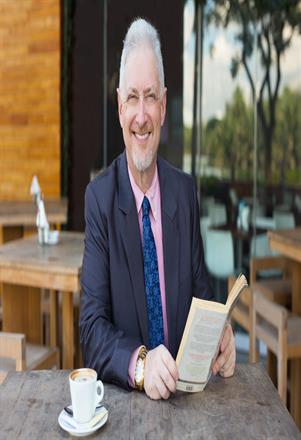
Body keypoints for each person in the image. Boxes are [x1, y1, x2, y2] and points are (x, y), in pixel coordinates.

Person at [80, 18, 236, 401]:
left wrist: (218, 333)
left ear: (164, 106)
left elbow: (201, 296)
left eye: (150, 96)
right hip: (127, 407)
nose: (142, 114)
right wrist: (141, 364)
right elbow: (92, 329)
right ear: (120, 108)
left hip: (188, 404)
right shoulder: (100, 199)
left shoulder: (184, 192)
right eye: (132, 97)